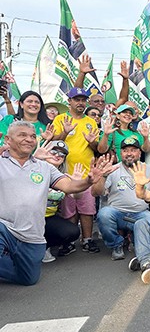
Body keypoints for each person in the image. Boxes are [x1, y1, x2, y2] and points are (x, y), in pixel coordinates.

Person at [0, 121, 111, 285]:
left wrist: (88, 180)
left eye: (32, 136)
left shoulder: (44, 167)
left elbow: (68, 186)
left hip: (32, 235)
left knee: (29, 279)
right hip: (5, 228)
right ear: (8, 140)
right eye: (22, 135)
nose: (29, 139)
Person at [52, 87, 101, 253]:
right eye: (77, 99)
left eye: (83, 100)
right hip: (64, 173)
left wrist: (92, 142)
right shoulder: (60, 119)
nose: (80, 103)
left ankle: (87, 240)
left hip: (86, 173)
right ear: (70, 101)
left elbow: (96, 147)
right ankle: (70, 242)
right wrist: (65, 132)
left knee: (87, 209)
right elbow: (53, 143)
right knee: (69, 209)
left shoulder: (91, 122)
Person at [92, 138, 150, 261]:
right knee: (104, 214)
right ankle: (117, 244)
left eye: (133, 150)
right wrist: (103, 176)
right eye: (125, 150)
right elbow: (95, 193)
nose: (129, 153)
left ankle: (134, 239)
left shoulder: (149, 169)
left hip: (140, 213)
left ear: (139, 153)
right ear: (120, 153)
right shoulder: (112, 170)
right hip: (117, 212)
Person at [42, 140, 81, 263]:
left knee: (72, 232)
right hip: (29, 217)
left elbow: (76, 196)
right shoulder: (33, 169)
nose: (57, 155)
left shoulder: (63, 177)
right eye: (53, 151)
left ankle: (45, 246)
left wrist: (76, 184)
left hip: (48, 218)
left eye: (62, 155)